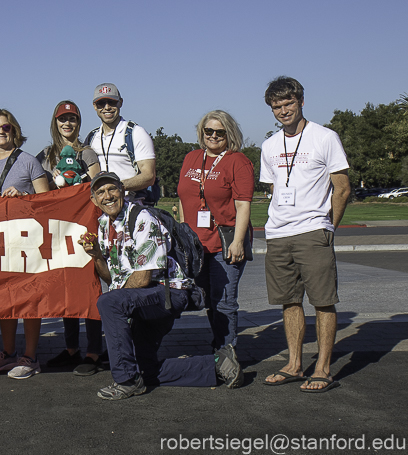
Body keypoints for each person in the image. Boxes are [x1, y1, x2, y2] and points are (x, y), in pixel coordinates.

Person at [80, 172, 243, 400]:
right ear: (93, 199)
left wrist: (118, 304)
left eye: (112, 189)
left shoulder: (142, 218)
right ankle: (218, 364)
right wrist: (97, 255)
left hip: (168, 293)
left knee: (108, 302)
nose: (107, 196)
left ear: (122, 190)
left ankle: (126, 381)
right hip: (142, 297)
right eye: (100, 192)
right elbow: (111, 280)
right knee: (144, 369)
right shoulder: (104, 225)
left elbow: (142, 279)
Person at [260, 77, 351, 393]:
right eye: (276, 106)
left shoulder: (324, 137)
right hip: (278, 232)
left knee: (323, 302)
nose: (283, 111)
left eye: (288, 103)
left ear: (300, 101)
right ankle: (294, 364)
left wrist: (328, 227)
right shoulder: (270, 145)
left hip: (313, 230)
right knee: (289, 301)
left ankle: (323, 368)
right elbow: (275, 187)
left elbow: (342, 188)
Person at [0, 108, 50, 379]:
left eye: (5, 127)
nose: (0, 132)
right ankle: (8, 352)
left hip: (27, 239)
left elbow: (47, 201)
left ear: (14, 130)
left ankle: (31, 356)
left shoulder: (29, 161)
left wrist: (22, 196)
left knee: (29, 298)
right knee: (4, 298)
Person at [36, 100, 104, 375]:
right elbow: (37, 191)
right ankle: (71, 348)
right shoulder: (44, 155)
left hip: (84, 228)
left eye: (72, 119)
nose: (67, 123)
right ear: (55, 122)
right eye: (62, 119)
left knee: (89, 286)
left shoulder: (87, 153)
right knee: (66, 287)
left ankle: (94, 351)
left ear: (78, 123)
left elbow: (97, 189)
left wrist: (78, 184)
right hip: (57, 229)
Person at [176, 110, 254, 351]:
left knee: (225, 302)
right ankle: (219, 345)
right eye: (208, 130)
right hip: (197, 246)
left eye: (220, 132)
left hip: (224, 243)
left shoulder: (237, 161)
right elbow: (183, 198)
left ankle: (227, 354)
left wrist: (238, 242)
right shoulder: (191, 157)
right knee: (209, 299)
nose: (213, 136)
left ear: (229, 134)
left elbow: (243, 205)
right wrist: (183, 234)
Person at [86, 83, 156, 201]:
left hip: (131, 204)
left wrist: (116, 187)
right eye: (101, 103)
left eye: (112, 102)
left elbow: (149, 176)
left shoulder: (136, 133)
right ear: (94, 106)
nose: (107, 107)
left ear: (121, 102)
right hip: (102, 206)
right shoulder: (92, 137)